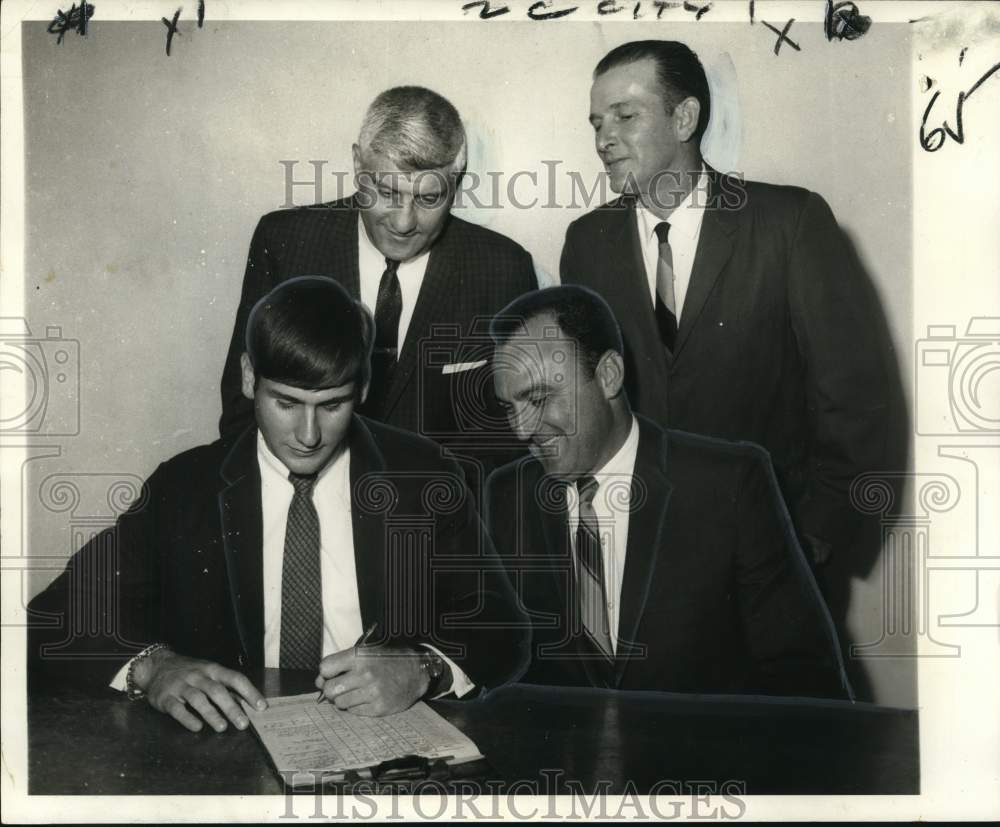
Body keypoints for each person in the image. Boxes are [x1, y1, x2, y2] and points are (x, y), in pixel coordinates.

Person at [28, 277, 529, 732]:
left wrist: (423, 667)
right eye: (286, 403)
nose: (308, 436)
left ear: (364, 389)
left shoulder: (423, 476)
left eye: (332, 405)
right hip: (227, 751)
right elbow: (52, 617)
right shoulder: (184, 488)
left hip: (384, 747)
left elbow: (501, 628)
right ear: (249, 378)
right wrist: (152, 666)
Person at [559, 40, 897, 571]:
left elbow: (855, 401)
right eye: (597, 122)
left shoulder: (790, 222)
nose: (604, 139)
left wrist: (815, 539)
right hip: (642, 561)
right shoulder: (586, 241)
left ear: (685, 118)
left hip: (776, 554)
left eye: (625, 116)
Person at [485, 286, 849, 698]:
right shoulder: (507, 494)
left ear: (608, 376)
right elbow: (494, 656)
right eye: (509, 407)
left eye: (538, 398)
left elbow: (804, 674)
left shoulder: (729, 482)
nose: (522, 429)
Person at [219, 85, 537, 492]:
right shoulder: (285, 243)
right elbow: (243, 406)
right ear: (357, 163)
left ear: (456, 181)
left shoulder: (504, 269)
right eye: (387, 193)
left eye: (429, 198)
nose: (404, 222)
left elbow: (508, 436)